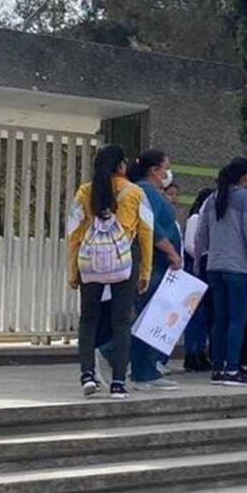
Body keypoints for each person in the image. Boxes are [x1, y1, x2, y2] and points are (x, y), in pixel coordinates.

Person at [67, 144, 153, 400]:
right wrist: (146, 270)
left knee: (88, 319)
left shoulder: (84, 192)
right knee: (121, 320)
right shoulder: (135, 193)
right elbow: (147, 233)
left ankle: (87, 375)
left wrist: (73, 270)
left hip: (90, 260)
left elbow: (73, 233)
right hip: (124, 261)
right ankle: (117, 382)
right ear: (121, 166)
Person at [196, 158, 247, 386]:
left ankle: (217, 367)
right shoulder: (246, 198)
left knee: (220, 319)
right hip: (238, 268)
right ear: (245, 177)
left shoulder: (211, 198)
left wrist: (199, 263)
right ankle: (233, 368)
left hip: (214, 266)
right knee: (237, 319)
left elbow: (200, 235)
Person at [125, 150, 185, 391]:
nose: (167, 173)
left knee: (153, 317)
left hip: (159, 264)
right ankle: (140, 369)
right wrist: (171, 252)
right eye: (165, 167)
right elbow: (151, 228)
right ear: (154, 170)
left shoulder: (150, 192)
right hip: (155, 263)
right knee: (149, 317)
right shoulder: (145, 192)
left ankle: (146, 369)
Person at [182, 187, 215, 372]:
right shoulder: (195, 219)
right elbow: (190, 245)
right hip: (195, 270)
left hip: (202, 267)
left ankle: (200, 351)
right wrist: (204, 255)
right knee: (196, 314)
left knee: (202, 315)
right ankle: (192, 352)